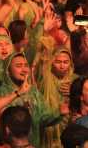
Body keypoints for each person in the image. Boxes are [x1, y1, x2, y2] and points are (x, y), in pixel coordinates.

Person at [0, 52, 69, 148]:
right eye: (19, 66)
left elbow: (43, 118)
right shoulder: (1, 93)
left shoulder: (33, 91)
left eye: (26, 65)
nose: (24, 69)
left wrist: (59, 113)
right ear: (7, 70)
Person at [35, 11, 79, 147]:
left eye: (65, 62)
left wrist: (75, 92)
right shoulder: (46, 77)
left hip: (72, 131)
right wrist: (46, 34)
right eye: (57, 62)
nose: (61, 66)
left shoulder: (77, 80)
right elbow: (44, 57)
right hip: (49, 130)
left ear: (70, 63)